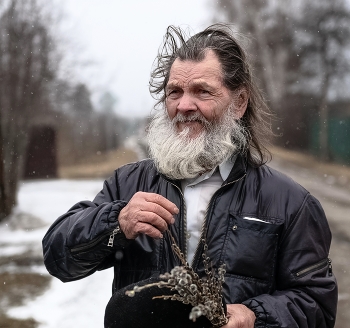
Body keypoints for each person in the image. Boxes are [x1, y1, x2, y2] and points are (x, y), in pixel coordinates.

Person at [42, 24, 337, 328]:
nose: (184, 105)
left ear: (239, 102)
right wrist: (116, 223)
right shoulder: (128, 184)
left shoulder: (290, 202)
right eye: (175, 92)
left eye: (202, 91)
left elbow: (316, 305)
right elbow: (58, 257)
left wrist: (255, 316)